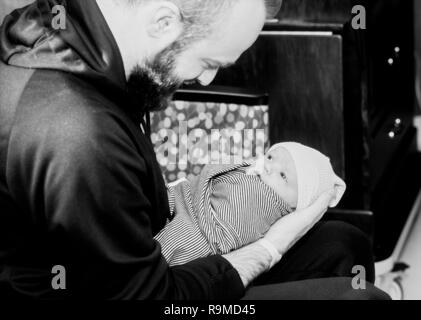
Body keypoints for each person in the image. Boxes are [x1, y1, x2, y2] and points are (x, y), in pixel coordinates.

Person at [0, 0, 390, 299]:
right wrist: (270, 246)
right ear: (164, 22)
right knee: (358, 296)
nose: (207, 79)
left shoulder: (76, 23)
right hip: (134, 291)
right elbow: (153, 296)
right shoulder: (78, 134)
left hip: (138, 253)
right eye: (208, 61)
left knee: (343, 242)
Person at [156, 142, 347, 266]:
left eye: (283, 175)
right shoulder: (257, 173)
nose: (269, 166)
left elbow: (226, 228)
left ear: (296, 205)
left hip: (202, 232)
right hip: (187, 201)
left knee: (180, 242)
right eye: (271, 157)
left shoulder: (267, 200)